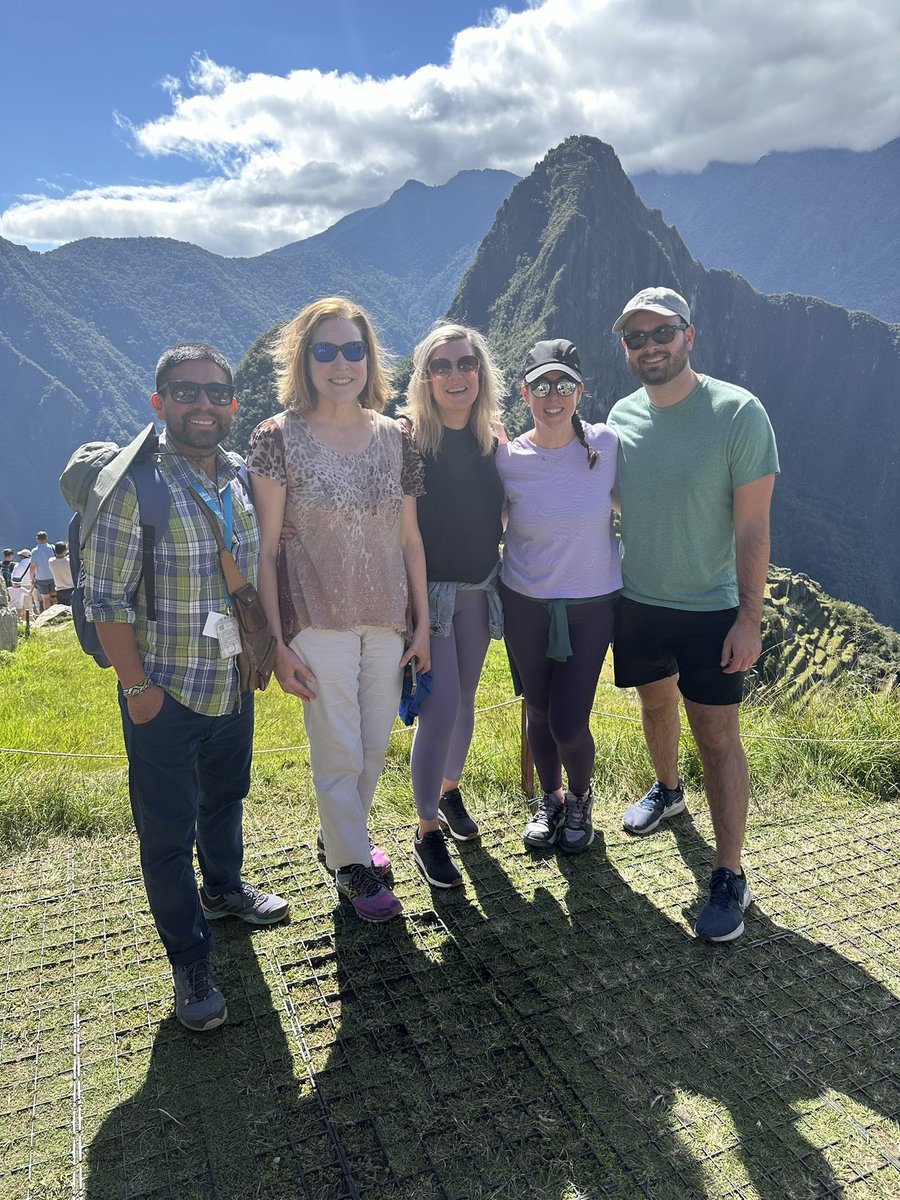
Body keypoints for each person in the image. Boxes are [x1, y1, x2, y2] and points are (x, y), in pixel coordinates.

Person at [82, 342, 289, 1033]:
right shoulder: (135, 485)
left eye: (216, 393)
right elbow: (104, 599)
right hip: (163, 690)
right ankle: (189, 958)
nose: (203, 405)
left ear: (233, 403)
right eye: (186, 392)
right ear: (159, 402)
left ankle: (226, 889)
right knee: (165, 833)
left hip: (231, 681)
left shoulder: (237, 476)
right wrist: (137, 687)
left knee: (226, 796)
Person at [248, 297, 429, 923]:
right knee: (338, 750)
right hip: (315, 617)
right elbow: (267, 550)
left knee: (375, 745)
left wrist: (423, 621)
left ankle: (339, 842)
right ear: (304, 359)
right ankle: (354, 868)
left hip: (386, 614)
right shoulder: (277, 438)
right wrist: (276, 642)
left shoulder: (396, 436)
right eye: (324, 350)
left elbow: (409, 538)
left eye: (353, 349)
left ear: (369, 357)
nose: (341, 363)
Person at [608, 286, 779, 943]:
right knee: (655, 707)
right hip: (640, 599)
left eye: (661, 334)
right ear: (626, 349)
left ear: (689, 335)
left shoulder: (737, 413)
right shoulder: (622, 416)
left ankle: (729, 870)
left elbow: (754, 527)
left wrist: (748, 618)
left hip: (711, 610)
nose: (649, 346)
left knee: (717, 736)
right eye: (636, 338)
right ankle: (667, 790)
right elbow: (621, 498)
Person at [496, 339, 621, 855]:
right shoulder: (507, 457)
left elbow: (637, 503)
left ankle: (581, 797)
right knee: (539, 710)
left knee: (570, 720)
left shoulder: (606, 445)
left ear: (579, 390)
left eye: (563, 385)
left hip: (592, 604)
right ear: (525, 393)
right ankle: (549, 800)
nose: (553, 396)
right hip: (525, 600)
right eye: (542, 385)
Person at [401, 323, 506, 888]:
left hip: (480, 588)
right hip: (432, 596)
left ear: (481, 372)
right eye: (441, 366)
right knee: (439, 711)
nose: (455, 374)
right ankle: (425, 830)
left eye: (466, 363)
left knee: (465, 702)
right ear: (426, 378)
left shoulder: (493, 439)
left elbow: (509, 509)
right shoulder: (410, 440)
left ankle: (447, 791)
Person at [30, 531, 56, 610]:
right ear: (46, 538)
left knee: (45, 599)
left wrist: (32, 578)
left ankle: (47, 616)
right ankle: (57, 615)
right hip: (53, 576)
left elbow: (32, 566)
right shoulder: (52, 548)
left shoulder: (34, 551)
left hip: (41, 578)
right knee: (54, 598)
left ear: (37, 539)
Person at [9, 549, 34, 620]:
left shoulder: (18, 566)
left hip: (20, 585)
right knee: (29, 605)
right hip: (30, 585)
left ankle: (22, 620)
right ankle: (29, 619)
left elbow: (13, 576)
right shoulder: (33, 564)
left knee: (21, 604)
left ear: (22, 556)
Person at [48, 540, 74, 605]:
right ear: (64, 551)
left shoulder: (51, 561)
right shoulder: (69, 561)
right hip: (71, 588)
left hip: (59, 589)